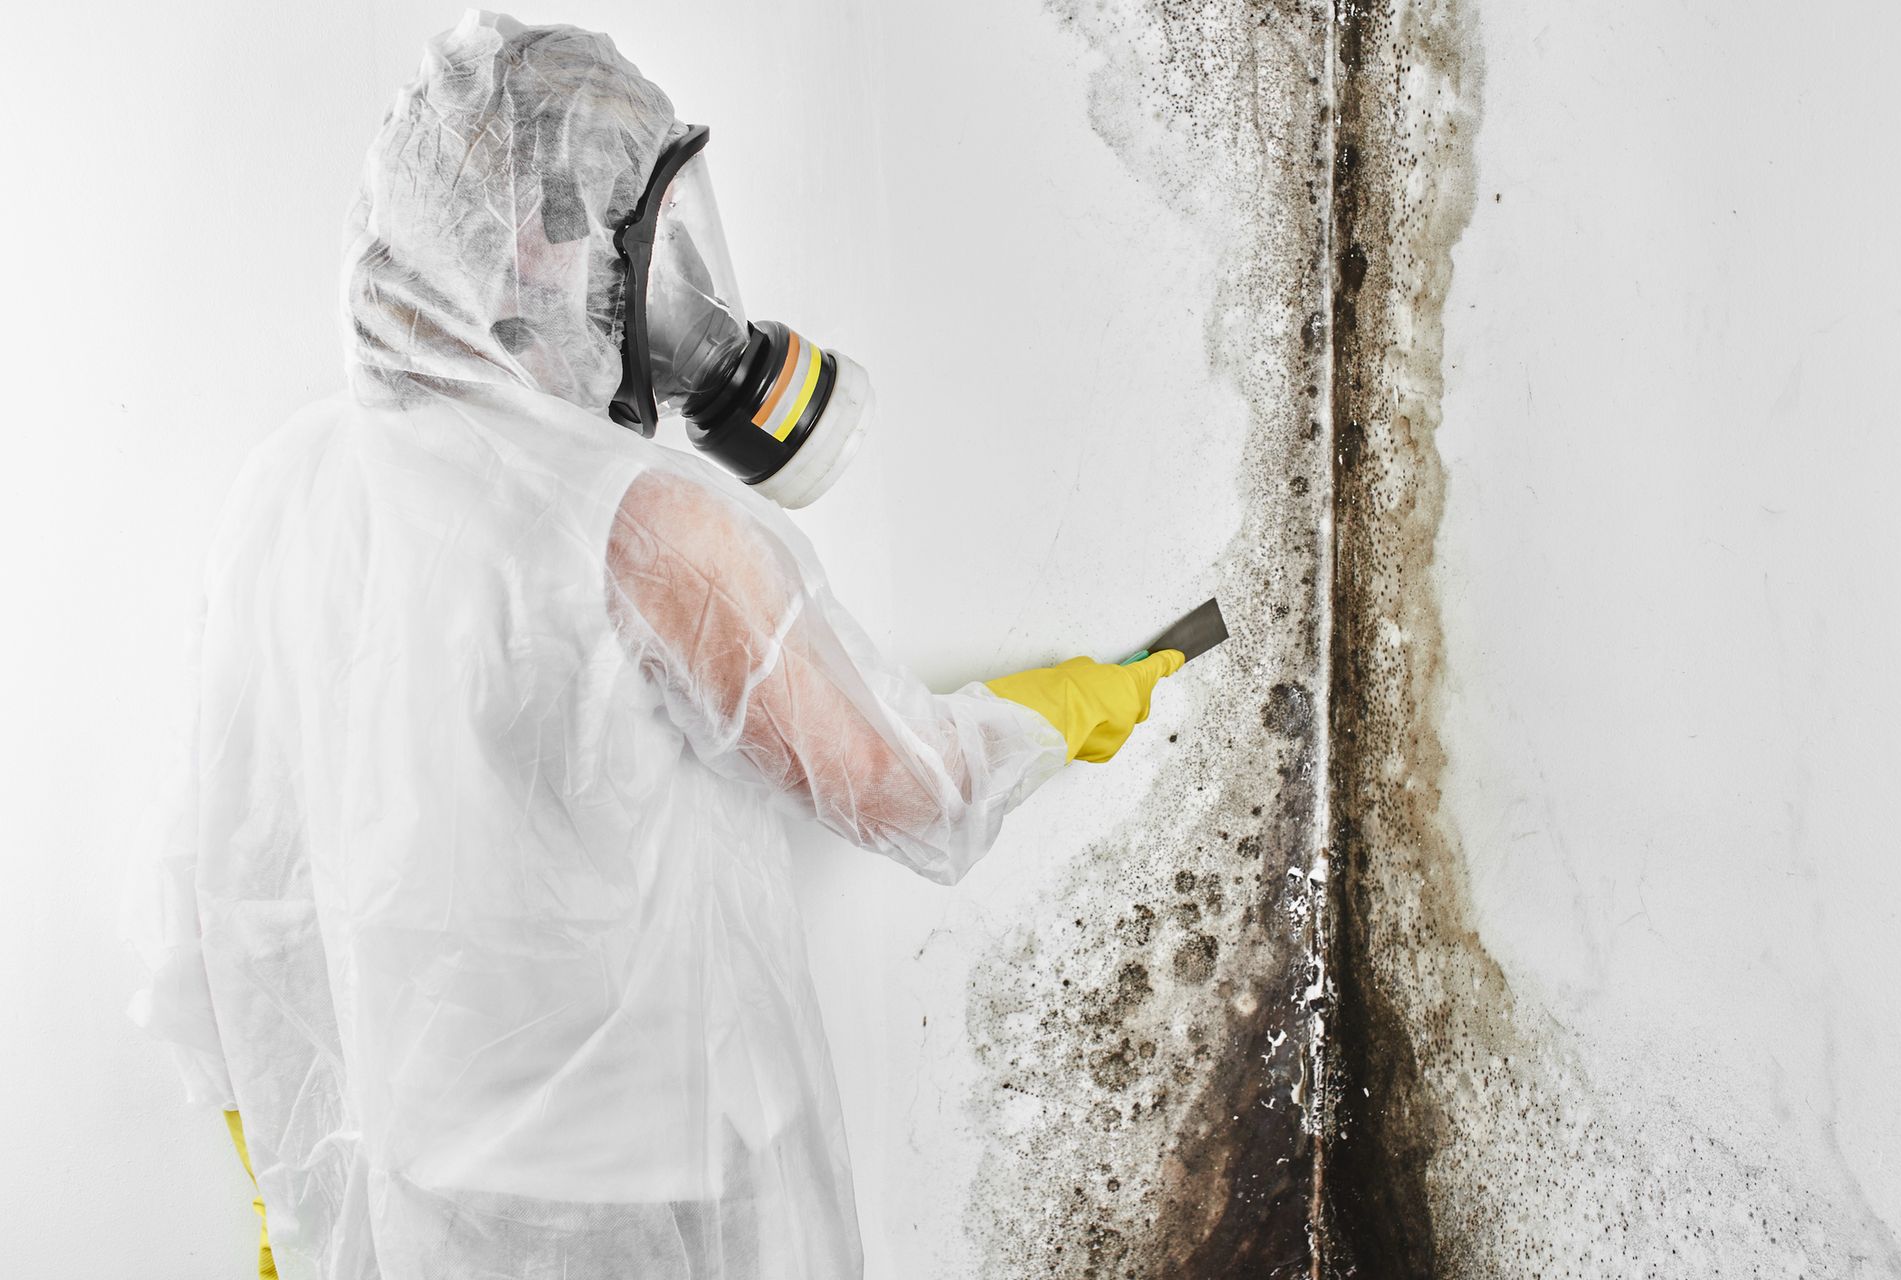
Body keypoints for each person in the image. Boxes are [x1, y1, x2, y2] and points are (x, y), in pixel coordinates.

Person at [125, 12, 1183, 1279]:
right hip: (636, 1208)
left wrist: (282, 1195)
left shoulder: (286, 485)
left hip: (416, 1200)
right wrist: (1066, 707)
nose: (675, 282)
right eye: (643, 228)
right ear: (539, 238)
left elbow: (218, 878)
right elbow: (910, 791)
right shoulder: (642, 523)